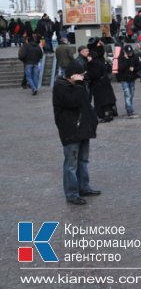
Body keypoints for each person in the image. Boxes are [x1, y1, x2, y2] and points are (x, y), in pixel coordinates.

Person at [52, 60, 100, 205]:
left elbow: (85, 103)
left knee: (83, 161)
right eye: (81, 74)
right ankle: (72, 193)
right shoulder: (61, 87)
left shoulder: (77, 85)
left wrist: (93, 121)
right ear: (73, 75)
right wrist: (79, 85)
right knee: (71, 165)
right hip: (71, 130)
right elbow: (71, 102)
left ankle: (84, 187)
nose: (83, 77)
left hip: (83, 129)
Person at [116, 44, 141, 117]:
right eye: (128, 53)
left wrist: (134, 69)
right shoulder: (121, 58)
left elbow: (139, 66)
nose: (130, 54)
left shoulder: (135, 57)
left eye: (131, 52)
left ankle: (128, 107)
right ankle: (129, 110)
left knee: (131, 94)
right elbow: (120, 68)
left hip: (132, 78)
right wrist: (126, 59)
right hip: (124, 79)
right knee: (127, 94)